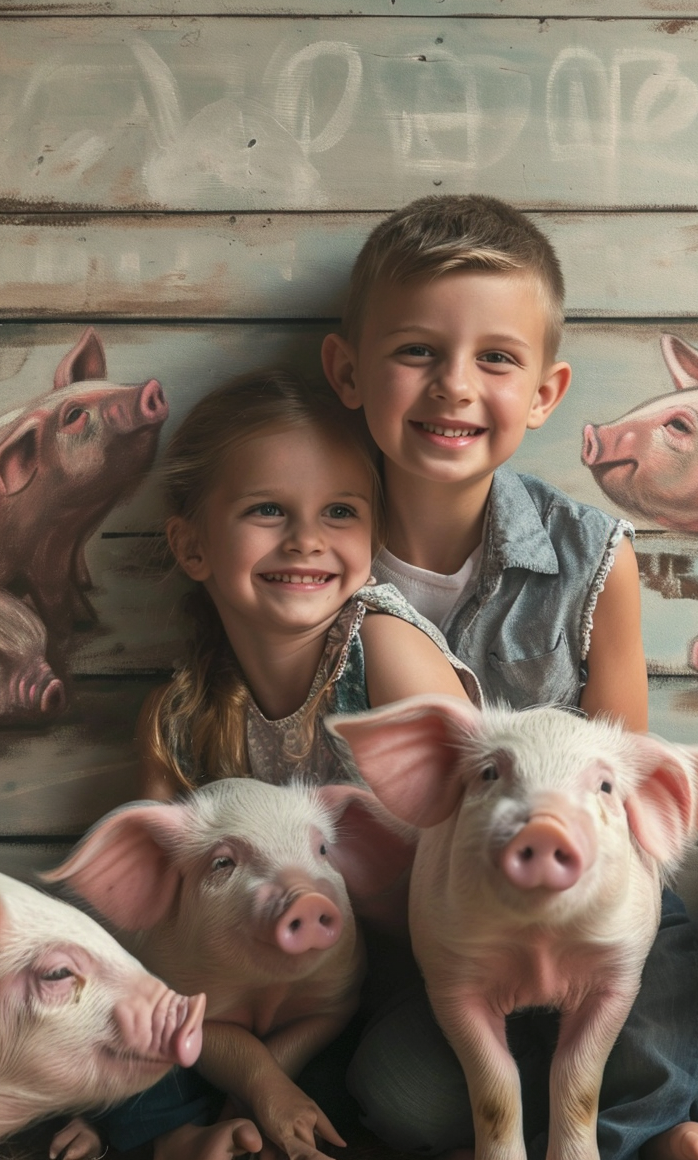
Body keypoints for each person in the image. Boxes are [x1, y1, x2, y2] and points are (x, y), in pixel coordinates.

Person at [321, 193, 698, 1160]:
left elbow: (626, 773)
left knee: (661, 988)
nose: (453, 387)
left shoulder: (595, 552)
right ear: (347, 370)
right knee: (402, 1094)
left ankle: (654, 1134)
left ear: (546, 393)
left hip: (594, 893)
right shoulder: (320, 558)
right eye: (417, 351)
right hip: (449, 918)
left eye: (495, 359)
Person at [74, 367, 476, 1160]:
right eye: (267, 510)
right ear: (191, 544)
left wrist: (253, 1070)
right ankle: (197, 1130)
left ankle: (198, 1122)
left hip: (417, 971)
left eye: (339, 512)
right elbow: (147, 923)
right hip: (256, 978)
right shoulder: (179, 715)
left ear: (374, 536)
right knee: (109, 1030)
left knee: (408, 1099)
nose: (305, 539)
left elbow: (474, 837)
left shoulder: (385, 651)